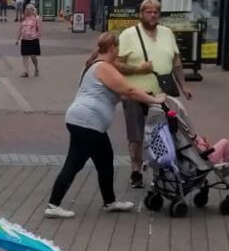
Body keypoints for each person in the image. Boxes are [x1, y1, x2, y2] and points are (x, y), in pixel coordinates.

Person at [45, 32, 164, 217]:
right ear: (113, 48)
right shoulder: (103, 67)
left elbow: (122, 94)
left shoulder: (93, 65)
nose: (119, 53)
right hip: (86, 122)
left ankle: (109, 201)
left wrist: (146, 96)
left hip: (90, 123)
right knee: (75, 162)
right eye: (118, 48)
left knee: (105, 160)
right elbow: (128, 90)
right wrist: (155, 100)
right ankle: (53, 205)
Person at [113, 0, 190, 189]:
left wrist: (183, 86)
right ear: (141, 14)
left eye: (156, 12)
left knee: (164, 134)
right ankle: (136, 171)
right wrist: (138, 69)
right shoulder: (129, 35)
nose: (153, 15)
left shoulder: (167, 33)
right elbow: (116, 64)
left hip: (161, 95)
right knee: (136, 136)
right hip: (135, 94)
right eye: (148, 12)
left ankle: (161, 170)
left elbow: (176, 61)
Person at [18, 3, 42, 77]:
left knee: (32, 55)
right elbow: (21, 28)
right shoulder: (24, 17)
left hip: (33, 39)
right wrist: (18, 38)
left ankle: (36, 67)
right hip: (24, 39)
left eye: (29, 9)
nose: (27, 11)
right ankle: (25, 71)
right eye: (26, 9)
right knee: (25, 55)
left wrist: (39, 38)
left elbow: (39, 29)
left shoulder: (36, 18)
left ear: (32, 10)